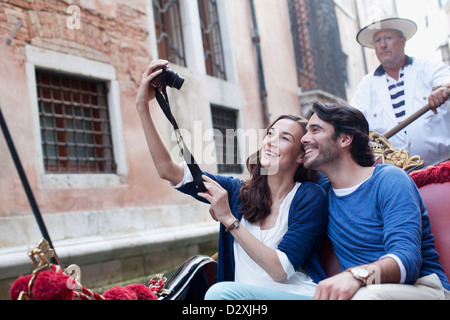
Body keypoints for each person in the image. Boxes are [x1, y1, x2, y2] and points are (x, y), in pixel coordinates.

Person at [136, 59, 328, 300]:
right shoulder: (238, 192)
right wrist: (142, 106)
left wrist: (228, 219)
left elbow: (280, 270)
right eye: (270, 134)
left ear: (301, 155)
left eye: (284, 138)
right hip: (242, 298)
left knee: (218, 294)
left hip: (296, 295)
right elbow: (168, 170)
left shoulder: (309, 196)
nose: (270, 141)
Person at [301, 102, 450, 300]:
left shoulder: (390, 179)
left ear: (345, 139)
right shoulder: (321, 193)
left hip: (422, 288)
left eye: (315, 130)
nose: (304, 139)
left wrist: (355, 276)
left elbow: (407, 262)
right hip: (361, 291)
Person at [351, 16, 450, 166]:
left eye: (388, 38)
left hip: (442, 164)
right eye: (378, 41)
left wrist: (442, 89)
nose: (383, 45)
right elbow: (353, 122)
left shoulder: (427, 67)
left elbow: (445, 80)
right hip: (397, 175)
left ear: (403, 40)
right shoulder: (366, 86)